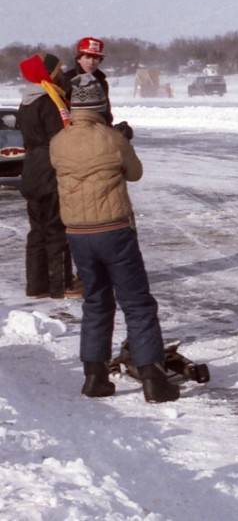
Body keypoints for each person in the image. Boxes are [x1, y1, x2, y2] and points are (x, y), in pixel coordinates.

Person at [49, 73, 179, 403]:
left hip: (77, 233)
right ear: (101, 105)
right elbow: (134, 173)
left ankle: (95, 378)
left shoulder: (58, 141)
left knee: (96, 301)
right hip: (114, 230)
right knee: (137, 303)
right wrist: (123, 140)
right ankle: (153, 378)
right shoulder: (111, 138)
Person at [17, 53, 81, 300]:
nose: (61, 73)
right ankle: (61, 285)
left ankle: (36, 285)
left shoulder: (27, 101)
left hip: (31, 168)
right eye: (58, 70)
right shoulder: (49, 101)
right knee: (56, 228)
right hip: (49, 167)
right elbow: (60, 138)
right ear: (50, 73)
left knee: (37, 230)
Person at [63, 37, 133, 140]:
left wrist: (114, 130)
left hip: (97, 133)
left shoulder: (102, 82)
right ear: (79, 59)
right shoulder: (67, 80)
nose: (91, 62)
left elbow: (106, 112)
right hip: (73, 134)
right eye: (88, 57)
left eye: (95, 58)